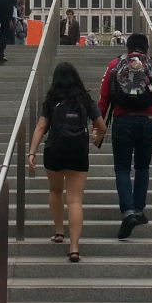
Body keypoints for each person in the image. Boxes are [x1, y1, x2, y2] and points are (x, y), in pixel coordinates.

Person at [97, 33, 152, 239]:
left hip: (122, 120)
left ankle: (128, 212)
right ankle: (139, 211)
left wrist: (97, 126)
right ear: (147, 49)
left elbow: (104, 97)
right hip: (148, 121)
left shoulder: (115, 65)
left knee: (122, 168)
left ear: (127, 48)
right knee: (143, 167)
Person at [27, 62, 107, 262]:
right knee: (75, 200)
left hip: (54, 149)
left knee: (55, 190)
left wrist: (31, 152)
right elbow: (102, 126)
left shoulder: (51, 100)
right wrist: (97, 138)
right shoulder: (85, 99)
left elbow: (40, 127)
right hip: (78, 151)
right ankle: (74, 247)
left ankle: (59, 231)